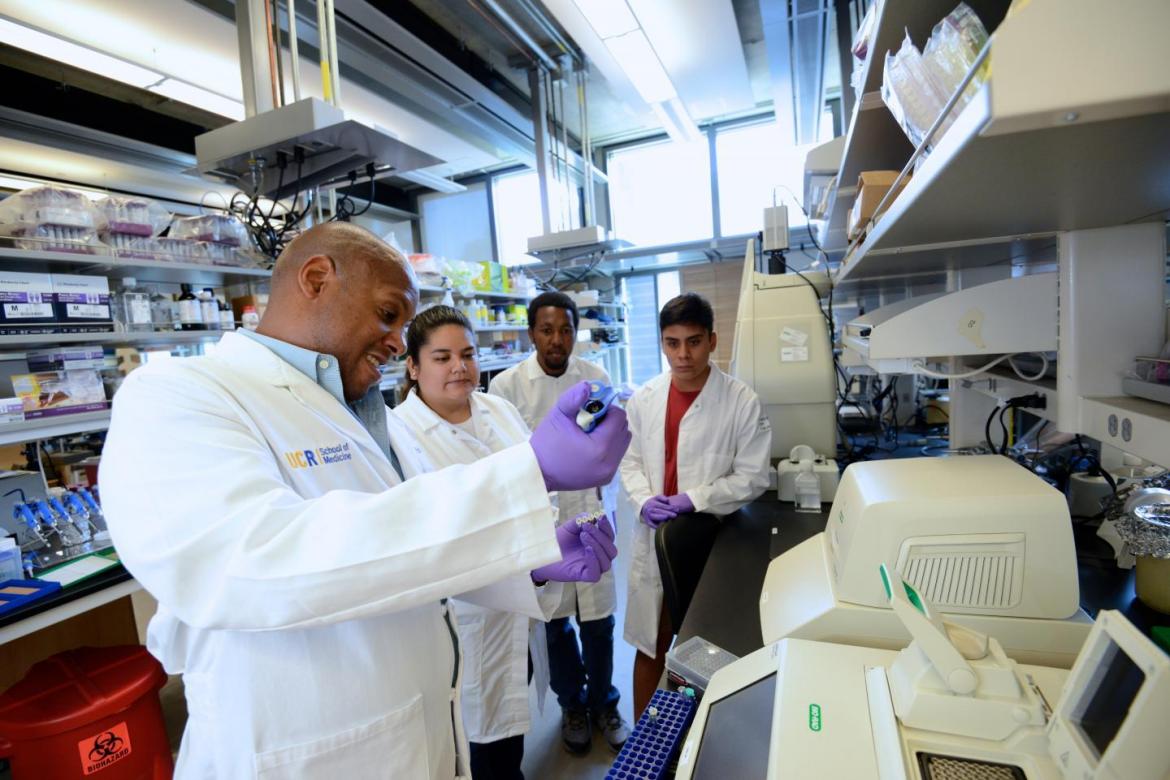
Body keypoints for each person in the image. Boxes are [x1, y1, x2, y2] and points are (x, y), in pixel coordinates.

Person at [98, 223, 629, 780]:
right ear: (316, 279)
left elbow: (403, 560)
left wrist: (529, 563)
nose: (398, 343)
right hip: (303, 755)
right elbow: (250, 560)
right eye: (387, 314)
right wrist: (528, 474)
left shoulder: (366, 415)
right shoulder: (180, 394)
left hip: (421, 736)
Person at [388, 304, 618, 780]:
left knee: (509, 743)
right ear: (413, 366)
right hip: (461, 629)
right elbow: (437, 540)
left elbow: (533, 489)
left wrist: (545, 546)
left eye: (468, 354)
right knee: (474, 754)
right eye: (442, 357)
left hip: (519, 616)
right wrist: (530, 559)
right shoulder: (399, 437)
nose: (459, 367)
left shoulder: (500, 410)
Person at [489, 291, 630, 754]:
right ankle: (572, 704)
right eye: (547, 330)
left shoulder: (595, 378)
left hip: (589, 510)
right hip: (542, 519)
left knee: (599, 620)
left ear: (575, 333)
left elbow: (608, 448)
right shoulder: (507, 387)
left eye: (566, 330)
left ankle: (604, 702)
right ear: (531, 333)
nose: (557, 340)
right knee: (555, 622)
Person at [619, 292, 772, 717]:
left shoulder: (741, 400)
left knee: (707, 650)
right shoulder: (644, 398)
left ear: (712, 340)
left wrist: (694, 498)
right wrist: (643, 500)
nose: (683, 355)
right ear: (662, 343)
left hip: (708, 541)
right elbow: (629, 462)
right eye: (672, 343)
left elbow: (753, 476)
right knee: (650, 644)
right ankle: (645, 740)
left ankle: (700, 739)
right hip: (654, 538)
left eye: (694, 342)